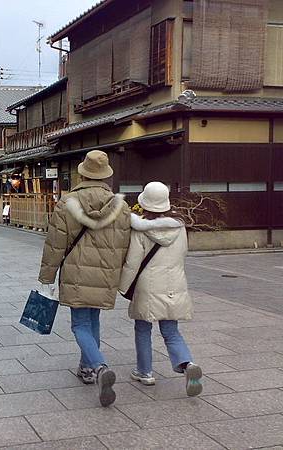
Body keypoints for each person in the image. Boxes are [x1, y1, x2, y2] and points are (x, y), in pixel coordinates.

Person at [38, 150, 131, 407]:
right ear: (106, 175)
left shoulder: (67, 203)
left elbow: (55, 244)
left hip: (76, 272)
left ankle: (99, 368)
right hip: (105, 272)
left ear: (82, 173)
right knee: (93, 320)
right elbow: (125, 244)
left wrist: (47, 276)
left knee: (80, 324)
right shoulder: (120, 207)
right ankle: (86, 368)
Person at [119, 182, 203, 396]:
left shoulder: (140, 228)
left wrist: (122, 287)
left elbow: (133, 262)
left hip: (148, 284)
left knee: (143, 328)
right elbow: (183, 253)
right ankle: (187, 364)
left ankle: (145, 372)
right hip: (174, 282)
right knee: (170, 330)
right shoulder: (179, 226)